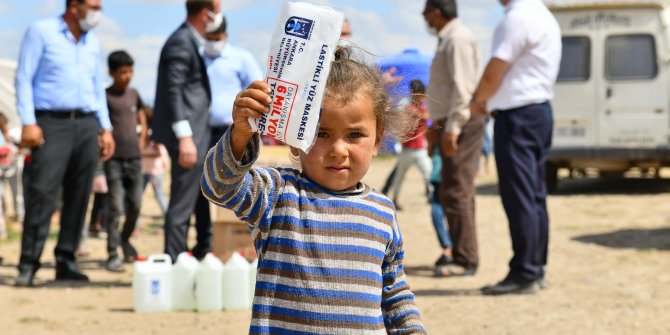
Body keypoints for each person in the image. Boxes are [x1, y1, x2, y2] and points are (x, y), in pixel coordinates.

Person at [201, 47, 426, 334]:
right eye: (321, 134)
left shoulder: (382, 212)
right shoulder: (277, 195)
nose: (338, 150)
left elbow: (394, 294)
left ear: (378, 139)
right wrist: (240, 134)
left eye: (355, 135)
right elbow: (218, 185)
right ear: (296, 139)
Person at [14, 0, 114, 287]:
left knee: (79, 194)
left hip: (86, 124)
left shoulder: (92, 41)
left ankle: (66, 260)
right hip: (50, 123)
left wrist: (105, 127)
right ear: (75, 6)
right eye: (93, 5)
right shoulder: (41, 31)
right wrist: (28, 121)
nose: (98, 12)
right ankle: (28, 263)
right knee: (42, 193)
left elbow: (97, 87)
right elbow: (24, 78)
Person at [471, 0, 561, 295]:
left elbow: (493, 73)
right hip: (538, 111)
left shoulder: (517, 17)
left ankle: (525, 272)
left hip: (518, 115)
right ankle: (536, 268)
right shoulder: (542, 14)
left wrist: (478, 102)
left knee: (519, 195)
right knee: (534, 194)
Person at [152, 0, 221, 262]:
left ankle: (178, 257)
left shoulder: (191, 42)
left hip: (194, 134)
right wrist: (185, 137)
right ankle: (174, 260)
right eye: (217, 11)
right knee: (181, 202)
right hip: (188, 137)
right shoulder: (181, 42)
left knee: (187, 199)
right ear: (206, 14)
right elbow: (173, 92)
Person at [191, 18, 264, 260]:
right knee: (202, 187)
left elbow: (259, 87)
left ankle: (234, 245)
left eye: (216, 38)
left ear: (224, 34)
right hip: (200, 131)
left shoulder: (240, 58)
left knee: (234, 182)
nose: (212, 43)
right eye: (208, 38)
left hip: (232, 131)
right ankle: (203, 242)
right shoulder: (196, 58)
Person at [423, 0, 485, 277]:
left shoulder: (457, 38)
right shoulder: (447, 39)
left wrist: (452, 129)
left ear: (436, 12)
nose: (425, 19)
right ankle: (462, 254)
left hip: (461, 123)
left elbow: (463, 89)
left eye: (426, 13)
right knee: (452, 190)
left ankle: (465, 259)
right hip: (449, 122)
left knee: (457, 191)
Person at [103, 50, 147, 272]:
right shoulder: (105, 96)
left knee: (137, 204)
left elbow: (141, 115)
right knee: (116, 206)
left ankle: (125, 239)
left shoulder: (134, 94)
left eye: (130, 71)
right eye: (122, 72)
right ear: (111, 72)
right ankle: (112, 253)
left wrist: (143, 137)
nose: (127, 76)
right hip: (113, 160)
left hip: (134, 158)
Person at [388, 79, 432, 210]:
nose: (423, 98)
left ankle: (435, 197)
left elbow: (426, 116)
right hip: (408, 149)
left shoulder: (417, 107)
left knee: (429, 174)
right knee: (400, 177)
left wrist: (416, 112)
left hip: (419, 149)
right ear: (414, 94)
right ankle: (394, 199)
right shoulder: (407, 107)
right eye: (421, 95)